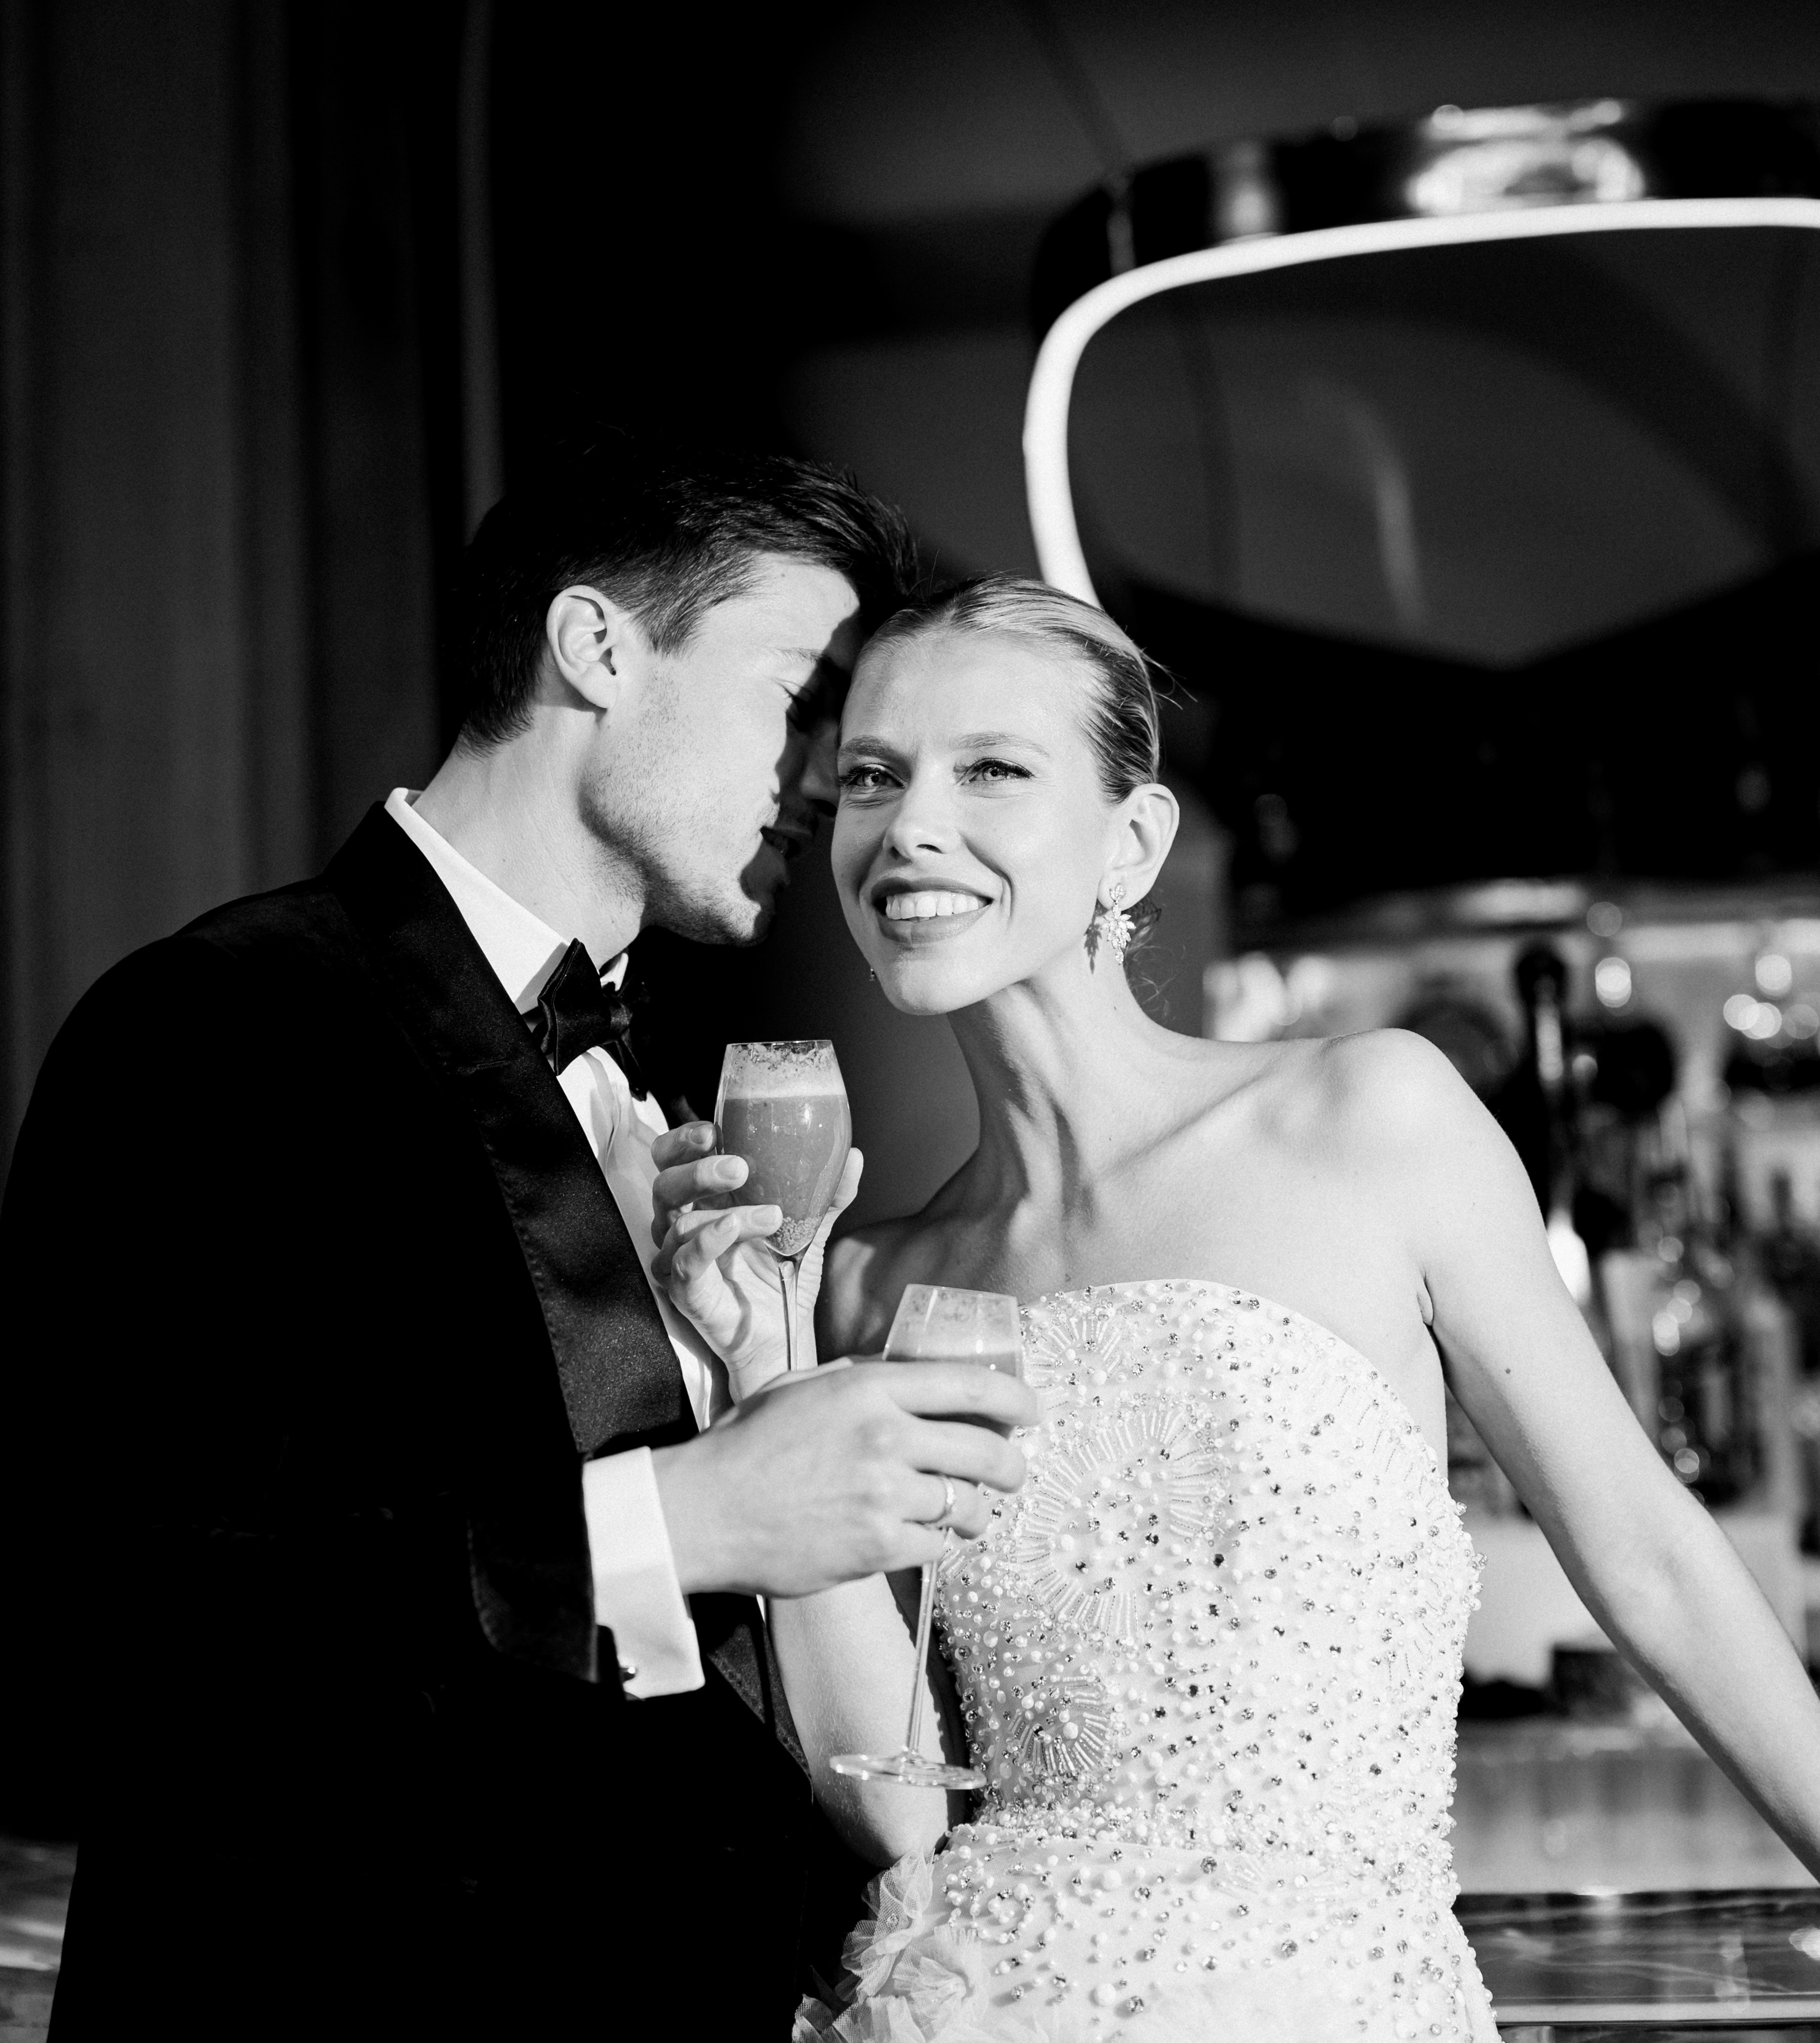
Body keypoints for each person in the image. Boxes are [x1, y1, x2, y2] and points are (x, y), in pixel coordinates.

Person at [657, 573, 1820, 2042]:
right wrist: (764, 1360)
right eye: (873, 777)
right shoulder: (870, 1279)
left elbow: (1645, 1556)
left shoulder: (1368, 1116)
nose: (909, 826)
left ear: (1133, 842)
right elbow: (885, 1800)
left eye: (991, 768)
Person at [0, 453, 1036, 2041]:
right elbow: (96, 1626)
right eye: (799, 696)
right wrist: (683, 1515)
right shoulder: (219, 1020)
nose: (834, 780)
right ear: (595, 647)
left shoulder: (658, 1103)